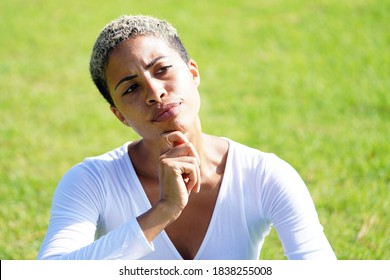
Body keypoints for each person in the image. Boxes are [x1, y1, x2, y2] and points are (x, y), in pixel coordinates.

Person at [37, 15, 336, 260]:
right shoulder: (91, 180)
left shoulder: (265, 175)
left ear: (193, 73)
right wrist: (163, 211)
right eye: (131, 89)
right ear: (120, 116)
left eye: (163, 69)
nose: (155, 93)